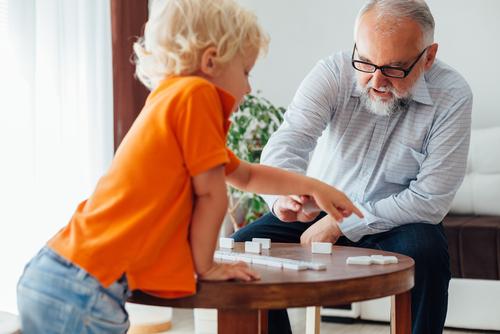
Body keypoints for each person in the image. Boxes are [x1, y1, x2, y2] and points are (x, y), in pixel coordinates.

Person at [16, 0, 363, 333]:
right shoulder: (196, 96)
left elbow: (246, 175)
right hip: (82, 288)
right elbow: (212, 196)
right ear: (211, 61)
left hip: (61, 274)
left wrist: (317, 187)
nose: (249, 87)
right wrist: (207, 266)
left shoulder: (173, 102)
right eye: (245, 71)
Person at [232, 0, 473, 333]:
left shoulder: (453, 95)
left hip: (396, 219)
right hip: (319, 207)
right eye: (365, 62)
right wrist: (284, 196)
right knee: (241, 248)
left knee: (428, 255)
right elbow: (289, 141)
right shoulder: (333, 72)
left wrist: (340, 224)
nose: (376, 80)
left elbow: (430, 199)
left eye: (394, 69)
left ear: (428, 57)